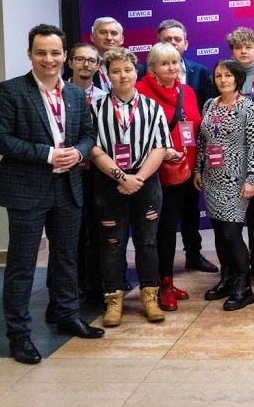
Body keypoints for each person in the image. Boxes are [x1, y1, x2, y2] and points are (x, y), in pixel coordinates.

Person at [0, 24, 103, 364]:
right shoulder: (10, 90)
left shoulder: (75, 95)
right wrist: (48, 154)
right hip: (26, 189)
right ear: (30, 54)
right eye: (41, 52)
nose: (48, 59)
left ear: (65, 56)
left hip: (67, 187)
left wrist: (79, 152)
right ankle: (18, 334)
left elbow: (88, 134)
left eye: (54, 53)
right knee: (22, 265)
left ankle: (67, 314)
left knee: (66, 258)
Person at [90, 47, 171, 327]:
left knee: (147, 243)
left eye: (127, 70)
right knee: (112, 244)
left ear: (136, 72)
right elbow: (94, 149)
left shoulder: (152, 107)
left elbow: (160, 146)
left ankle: (150, 298)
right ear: (107, 74)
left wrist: (138, 179)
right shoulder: (96, 108)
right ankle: (113, 301)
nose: (123, 75)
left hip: (145, 182)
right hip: (108, 183)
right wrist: (121, 178)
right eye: (116, 71)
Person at [135, 42, 202, 311]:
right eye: (164, 63)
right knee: (159, 232)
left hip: (183, 172)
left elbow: (193, 131)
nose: (172, 68)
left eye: (175, 62)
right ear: (152, 67)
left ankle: (168, 281)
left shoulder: (187, 92)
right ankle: (159, 285)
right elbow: (135, 133)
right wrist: (161, 152)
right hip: (153, 173)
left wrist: (194, 167)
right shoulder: (140, 91)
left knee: (171, 229)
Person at [194, 59, 254, 311]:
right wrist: (197, 169)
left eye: (228, 75)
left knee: (231, 234)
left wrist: (251, 179)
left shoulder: (248, 107)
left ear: (238, 78)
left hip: (237, 180)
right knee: (219, 233)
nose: (223, 80)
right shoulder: (209, 105)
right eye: (219, 75)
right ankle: (227, 278)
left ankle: (244, 287)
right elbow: (203, 141)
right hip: (212, 178)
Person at [153, 19, 216, 274]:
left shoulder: (198, 72)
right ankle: (161, 271)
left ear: (185, 44)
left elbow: (204, 113)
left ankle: (194, 255)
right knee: (165, 219)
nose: (172, 43)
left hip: (191, 155)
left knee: (191, 211)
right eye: (167, 39)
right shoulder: (144, 77)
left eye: (177, 39)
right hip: (160, 160)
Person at [226, 27, 254, 277]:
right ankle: (233, 262)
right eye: (238, 47)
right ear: (232, 51)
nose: (243, 51)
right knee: (230, 212)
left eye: (248, 47)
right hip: (230, 156)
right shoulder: (223, 79)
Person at [66, 43, 107, 305]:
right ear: (70, 62)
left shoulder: (104, 98)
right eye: (80, 59)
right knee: (72, 232)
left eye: (91, 60)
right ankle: (73, 283)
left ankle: (95, 283)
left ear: (98, 66)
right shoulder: (59, 93)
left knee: (97, 230)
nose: (86, 64)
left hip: (97, 172)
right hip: (67, 171)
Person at [89, 17, 124, 91]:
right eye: (103, 32)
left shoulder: (137, 69)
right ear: (92, 37)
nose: (109, 38)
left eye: (114, 33)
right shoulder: (83, 66)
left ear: (122, 39)